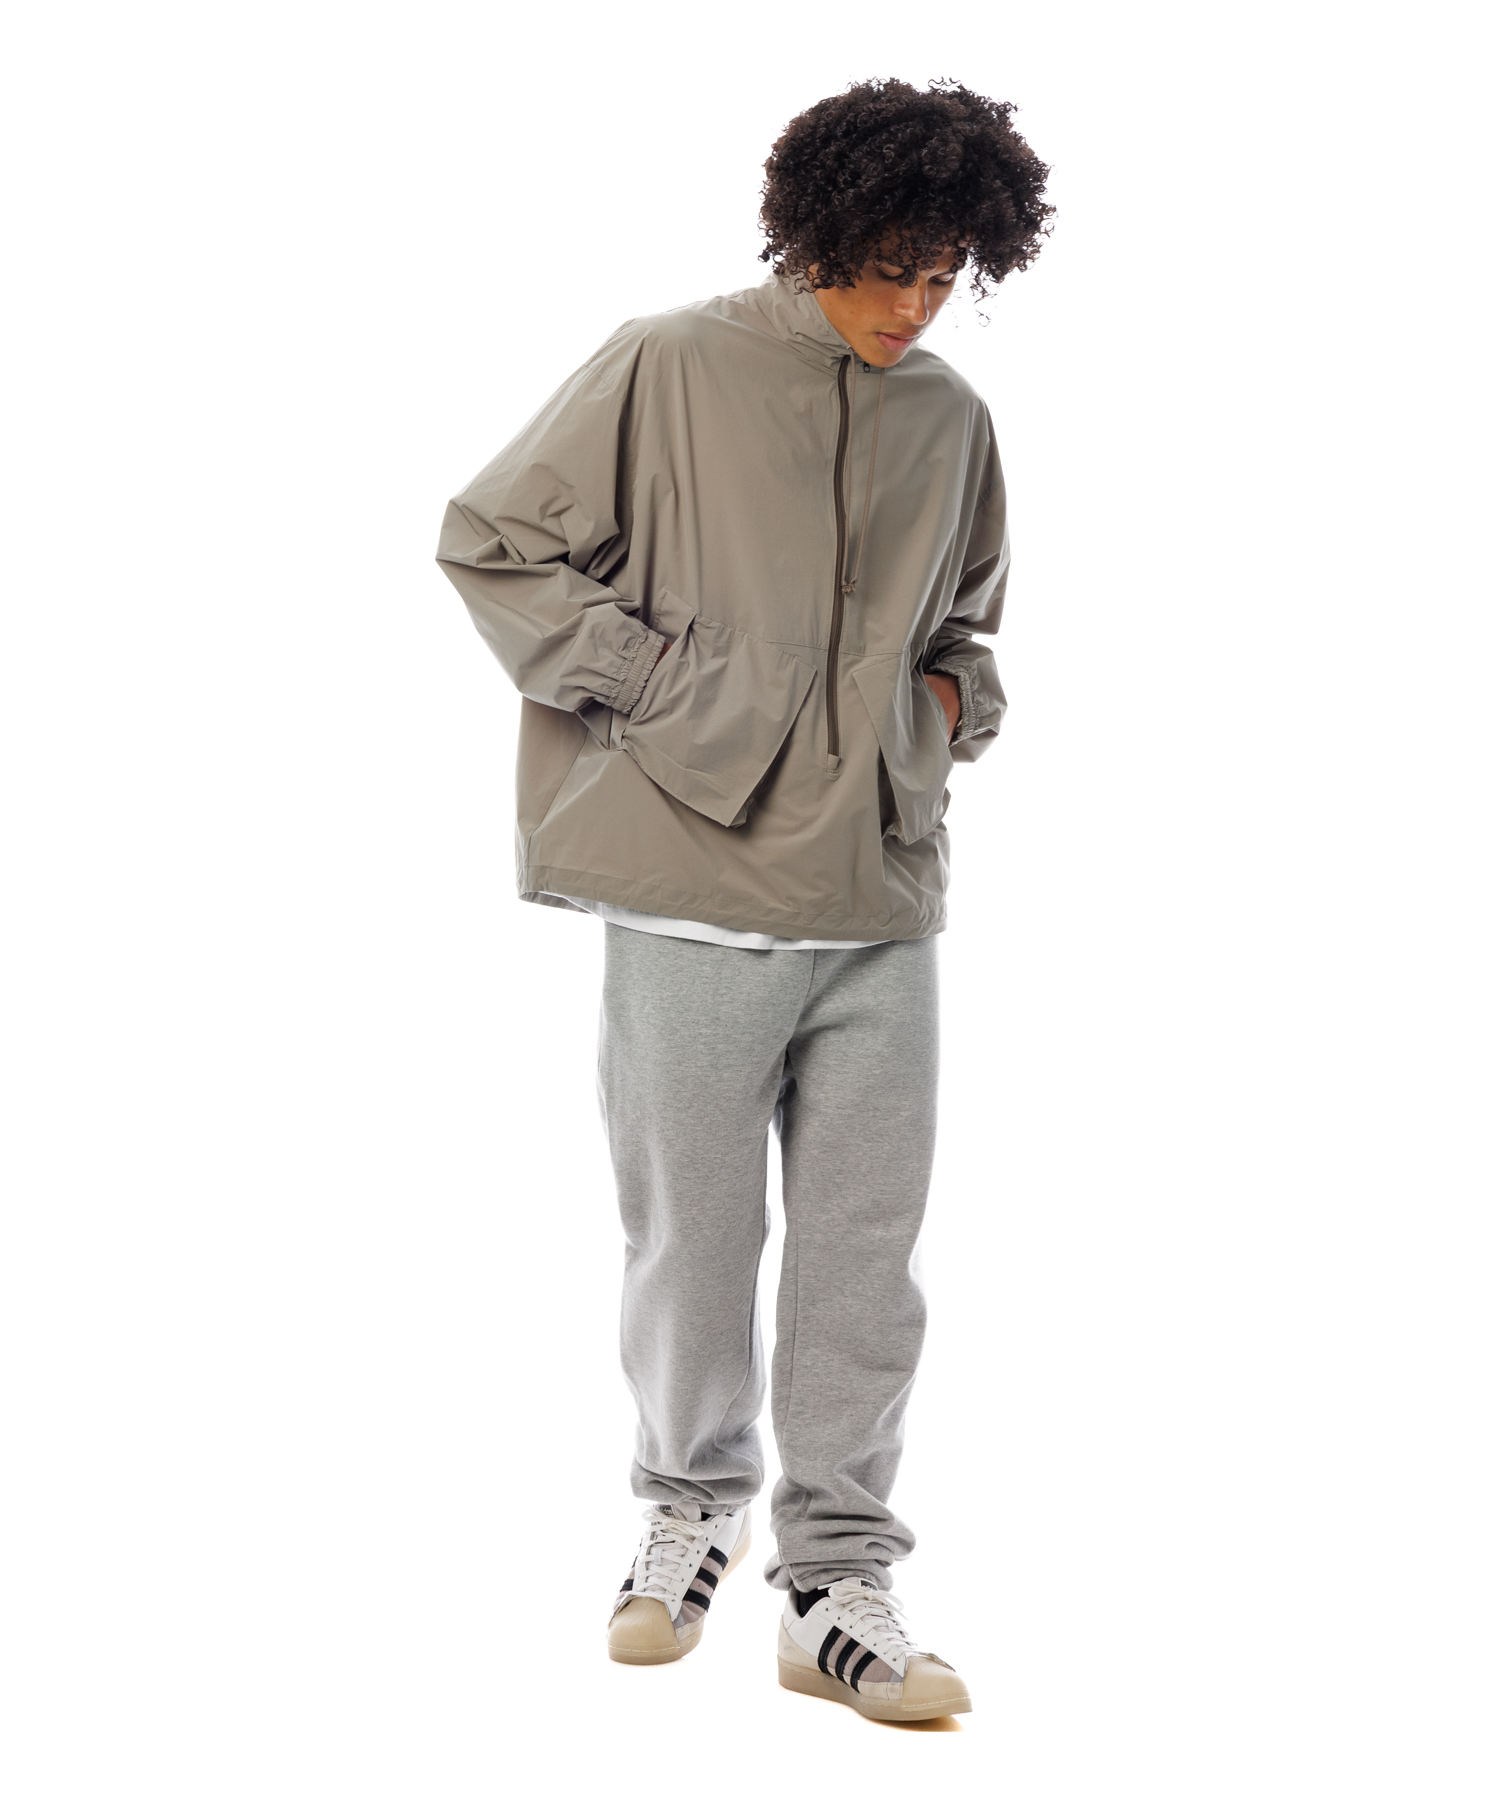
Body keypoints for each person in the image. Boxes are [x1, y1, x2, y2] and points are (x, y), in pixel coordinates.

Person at [436, 77, 1052, 1723]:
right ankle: (686, 1514)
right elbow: (493, 542)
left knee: (866, 1263)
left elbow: (966, 633)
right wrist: (673, 694)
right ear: (821, 233)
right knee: (694, 1248)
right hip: (693, 889)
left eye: (947, 275)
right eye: (893, 268)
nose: (915, 306)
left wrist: (940, 720)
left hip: (881, 908)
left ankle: (836, 1585)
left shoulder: (952, 420)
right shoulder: (668, 362)